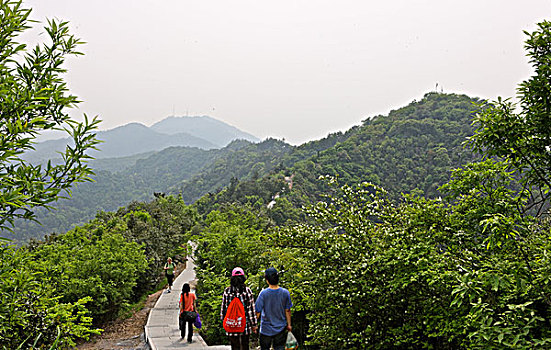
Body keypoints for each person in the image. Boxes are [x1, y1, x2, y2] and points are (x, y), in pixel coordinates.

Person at [255, 267, 292, 350]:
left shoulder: (263, 294)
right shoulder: (285, 293)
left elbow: (257, 311)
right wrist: (289, 325)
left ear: (267, 280)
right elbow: (287, 310)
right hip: (280, 328)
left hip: (265, 329)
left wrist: (254, 325)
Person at [221, 267, 258, 350]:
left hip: (232, 324)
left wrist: (223, 321)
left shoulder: (227, 291)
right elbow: (251, 310)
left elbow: (224, 309)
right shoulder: (247, 291)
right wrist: (254, 325)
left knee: (234, 346)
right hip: (245, 325)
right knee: (245, 346)